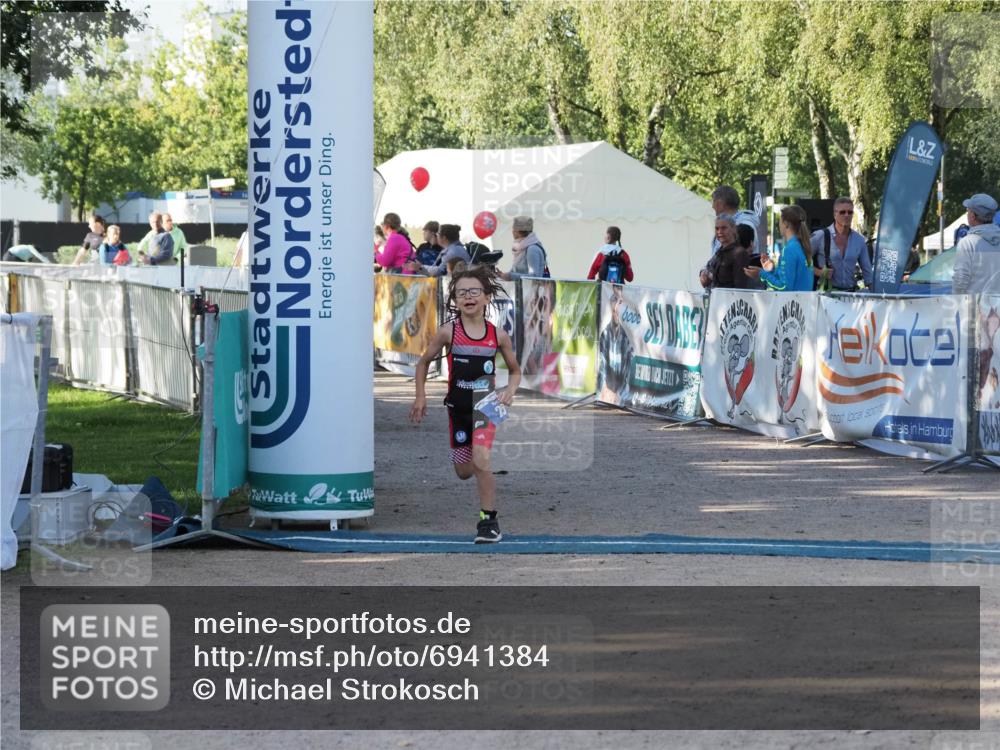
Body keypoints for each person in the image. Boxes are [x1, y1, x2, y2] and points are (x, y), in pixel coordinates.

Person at [410, 265, 521, 544]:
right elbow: (423, 363)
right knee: (463, 471)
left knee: (482, 459)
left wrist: (510, 390)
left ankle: (489, 521)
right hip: (457, 410)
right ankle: (477, 465)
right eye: (462, 293)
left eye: (474, 291)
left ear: (487, 297)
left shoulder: (498, 335)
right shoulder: (448, 332)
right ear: (455, 300)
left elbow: (515, 371)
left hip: (486, 408)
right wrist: (421, 395)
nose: (468, 297)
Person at [810, 197, 872, 291]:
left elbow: (867, 272)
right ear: (835, 214)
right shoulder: (820, 236)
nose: (846, 215)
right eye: (842, 212)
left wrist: (875, 294)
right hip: (826, 294)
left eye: (850, 212)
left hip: (850, 293)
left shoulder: (859, 240)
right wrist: (819, 272)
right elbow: (802, 261)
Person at [746, 205, 813, 292]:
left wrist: (761, 274)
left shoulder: (789, 249)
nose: (779, 225)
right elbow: (791, 280)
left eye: (780, 221)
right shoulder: (803, 246)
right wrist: (772, 270)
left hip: (792, 300)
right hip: (803, 300)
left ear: (786, 224)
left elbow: (784, 287)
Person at [952, 193, 1000, 294]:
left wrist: (956, 300)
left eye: (968, 211)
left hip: (975, 303)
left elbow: (960, 280)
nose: (967, 214)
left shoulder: (968, 243)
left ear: (972, 216)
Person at [597, 285, 634, 403]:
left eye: (621, 302)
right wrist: (603, 392)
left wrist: (620, 395)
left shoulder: (627, 339)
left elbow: (629, 376)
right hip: (605, 396)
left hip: (619, 399)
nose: (618, 307)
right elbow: (601, 370)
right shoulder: (604, 335)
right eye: (615, 300)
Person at [700, 215, 752, 290]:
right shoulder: (718, 253)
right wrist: (704, 273)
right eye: (717, 228)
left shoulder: (740, 253)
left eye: (724, 228)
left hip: (730, 297)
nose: (719, 232)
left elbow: (740, 288)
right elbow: (705, 280)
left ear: (733, 229)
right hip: (714, 296)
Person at [708, 185, 760, 257]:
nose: (712, 206)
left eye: (713, 201)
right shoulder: (730, 223)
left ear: (720, 204)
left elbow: (737, 258)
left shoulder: (744, 226)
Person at [406, 224, 470, 276]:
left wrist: (420, 267)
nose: (436, 236)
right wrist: (420, 267)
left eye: (437, 234)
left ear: (444, 238)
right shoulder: (454, 249)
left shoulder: (452, 252)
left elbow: (439, 272)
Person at [499, 216, 547, 280]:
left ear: (518, 231)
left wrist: (511, 276)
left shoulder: (532, 249)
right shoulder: (522, 247)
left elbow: (534, 276)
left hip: (531, 287)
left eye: (513, 228)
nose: (512, 231)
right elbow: (517, 271)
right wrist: (503, 275)